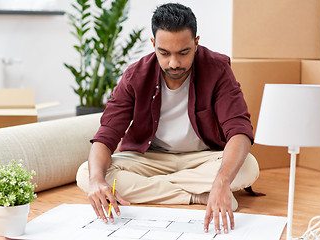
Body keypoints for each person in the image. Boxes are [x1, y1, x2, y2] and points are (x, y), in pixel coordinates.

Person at [76, 2, 259, 235]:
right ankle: (194, 195)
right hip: (150, 160)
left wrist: (222, 181)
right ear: (153, 44)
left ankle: (190, 188)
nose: (174, 63)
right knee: (87, 174)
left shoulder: (218, 68)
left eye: (183, 53)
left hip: (202, 159)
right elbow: (107, 134)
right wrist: (96, 180)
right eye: (164, 53)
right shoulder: (135, 75)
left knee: (248, 167)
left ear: (196, 42)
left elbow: (239, 130)